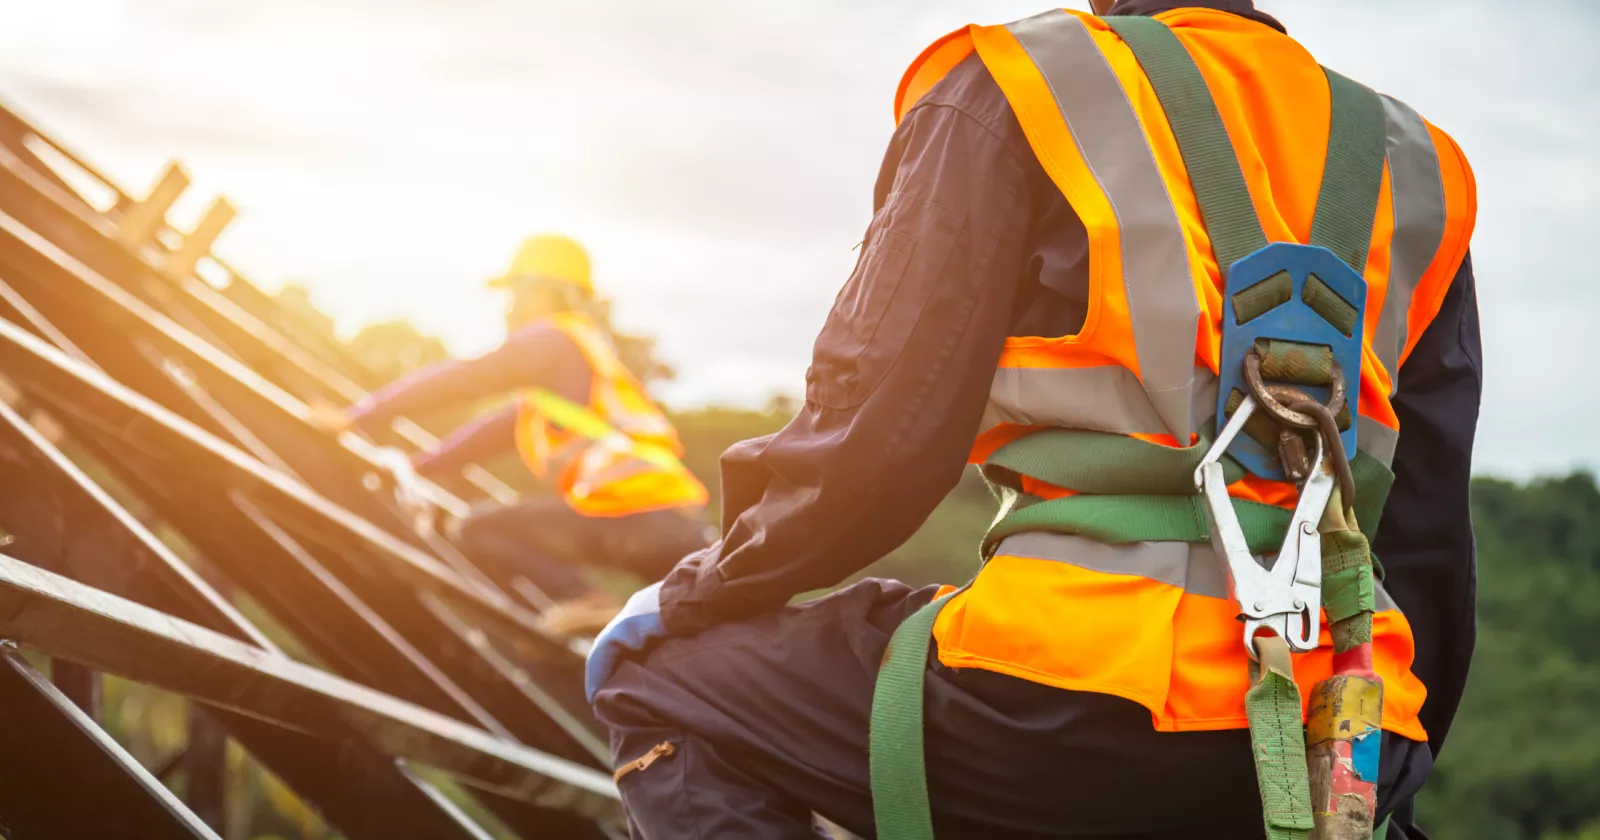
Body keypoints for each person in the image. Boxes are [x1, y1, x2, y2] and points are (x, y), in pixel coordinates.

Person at [584, 2, 1480, 838]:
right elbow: (1430, 533)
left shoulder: (1022, 82)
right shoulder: (1420, 165)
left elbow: (872, 449)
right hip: (1346, 733)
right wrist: (1388, 764)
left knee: (654, 684)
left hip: (1070, 701)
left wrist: (698, 591)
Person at [339, 234, 713, 623]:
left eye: (514, 292)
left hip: (634, 515)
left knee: (478, 530)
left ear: (540, 292)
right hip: (675, 526)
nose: (508, 307)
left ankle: (585, 602)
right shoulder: (571, 371)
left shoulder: (551, 339)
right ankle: (589, 614)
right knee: (684, 633)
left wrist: (359, 416)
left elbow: (462, 379)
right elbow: (487, 434)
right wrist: (417, 468)